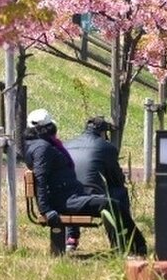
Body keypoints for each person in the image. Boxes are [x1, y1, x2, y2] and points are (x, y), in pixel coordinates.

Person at [22, 108, 125, 253]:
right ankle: (129, 247)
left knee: (110, 202)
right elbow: (40, 179)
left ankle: (125, 246)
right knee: (111, 204)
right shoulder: (43, 147)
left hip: (66, 195)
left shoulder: (40, 144)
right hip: (62, 202)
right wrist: (46, 210)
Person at [64, 116, 147, 257]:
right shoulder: (106, 148)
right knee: (119, 193)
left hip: (67, 200)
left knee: (75, 188)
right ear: (103, 133)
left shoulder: (67, 145)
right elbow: (116, 179)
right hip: (92, 201)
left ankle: (71, 238)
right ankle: (122, 240)